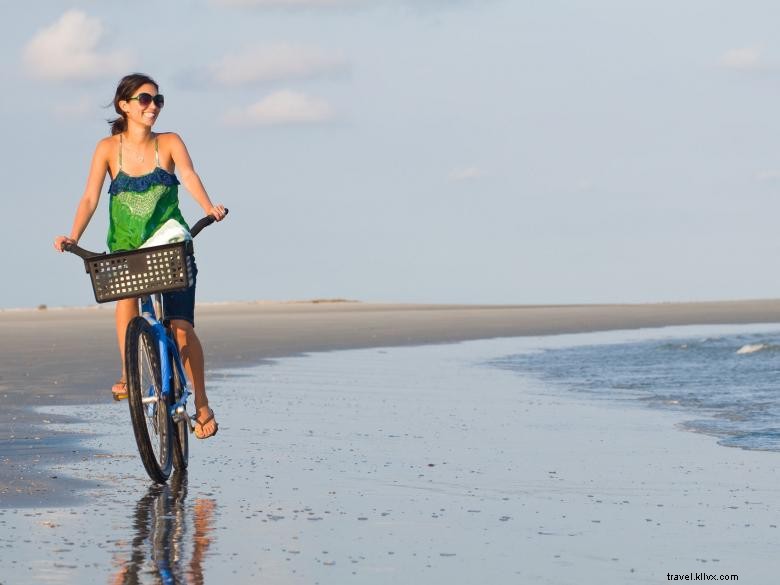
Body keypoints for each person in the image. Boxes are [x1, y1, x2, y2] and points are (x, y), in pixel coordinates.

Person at [53, 73, 225, 439]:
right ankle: (129, 372)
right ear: (125, 106)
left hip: (170, 245)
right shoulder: (106, 149)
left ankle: (203, 403)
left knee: (181, 329)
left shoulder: (170, 142)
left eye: (158, 100)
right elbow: (89, 198)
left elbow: (190, 176)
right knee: (125, 298)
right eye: (145, 100)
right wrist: (73, 235)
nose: (153, 107)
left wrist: (209, 207)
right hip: (127, 245)